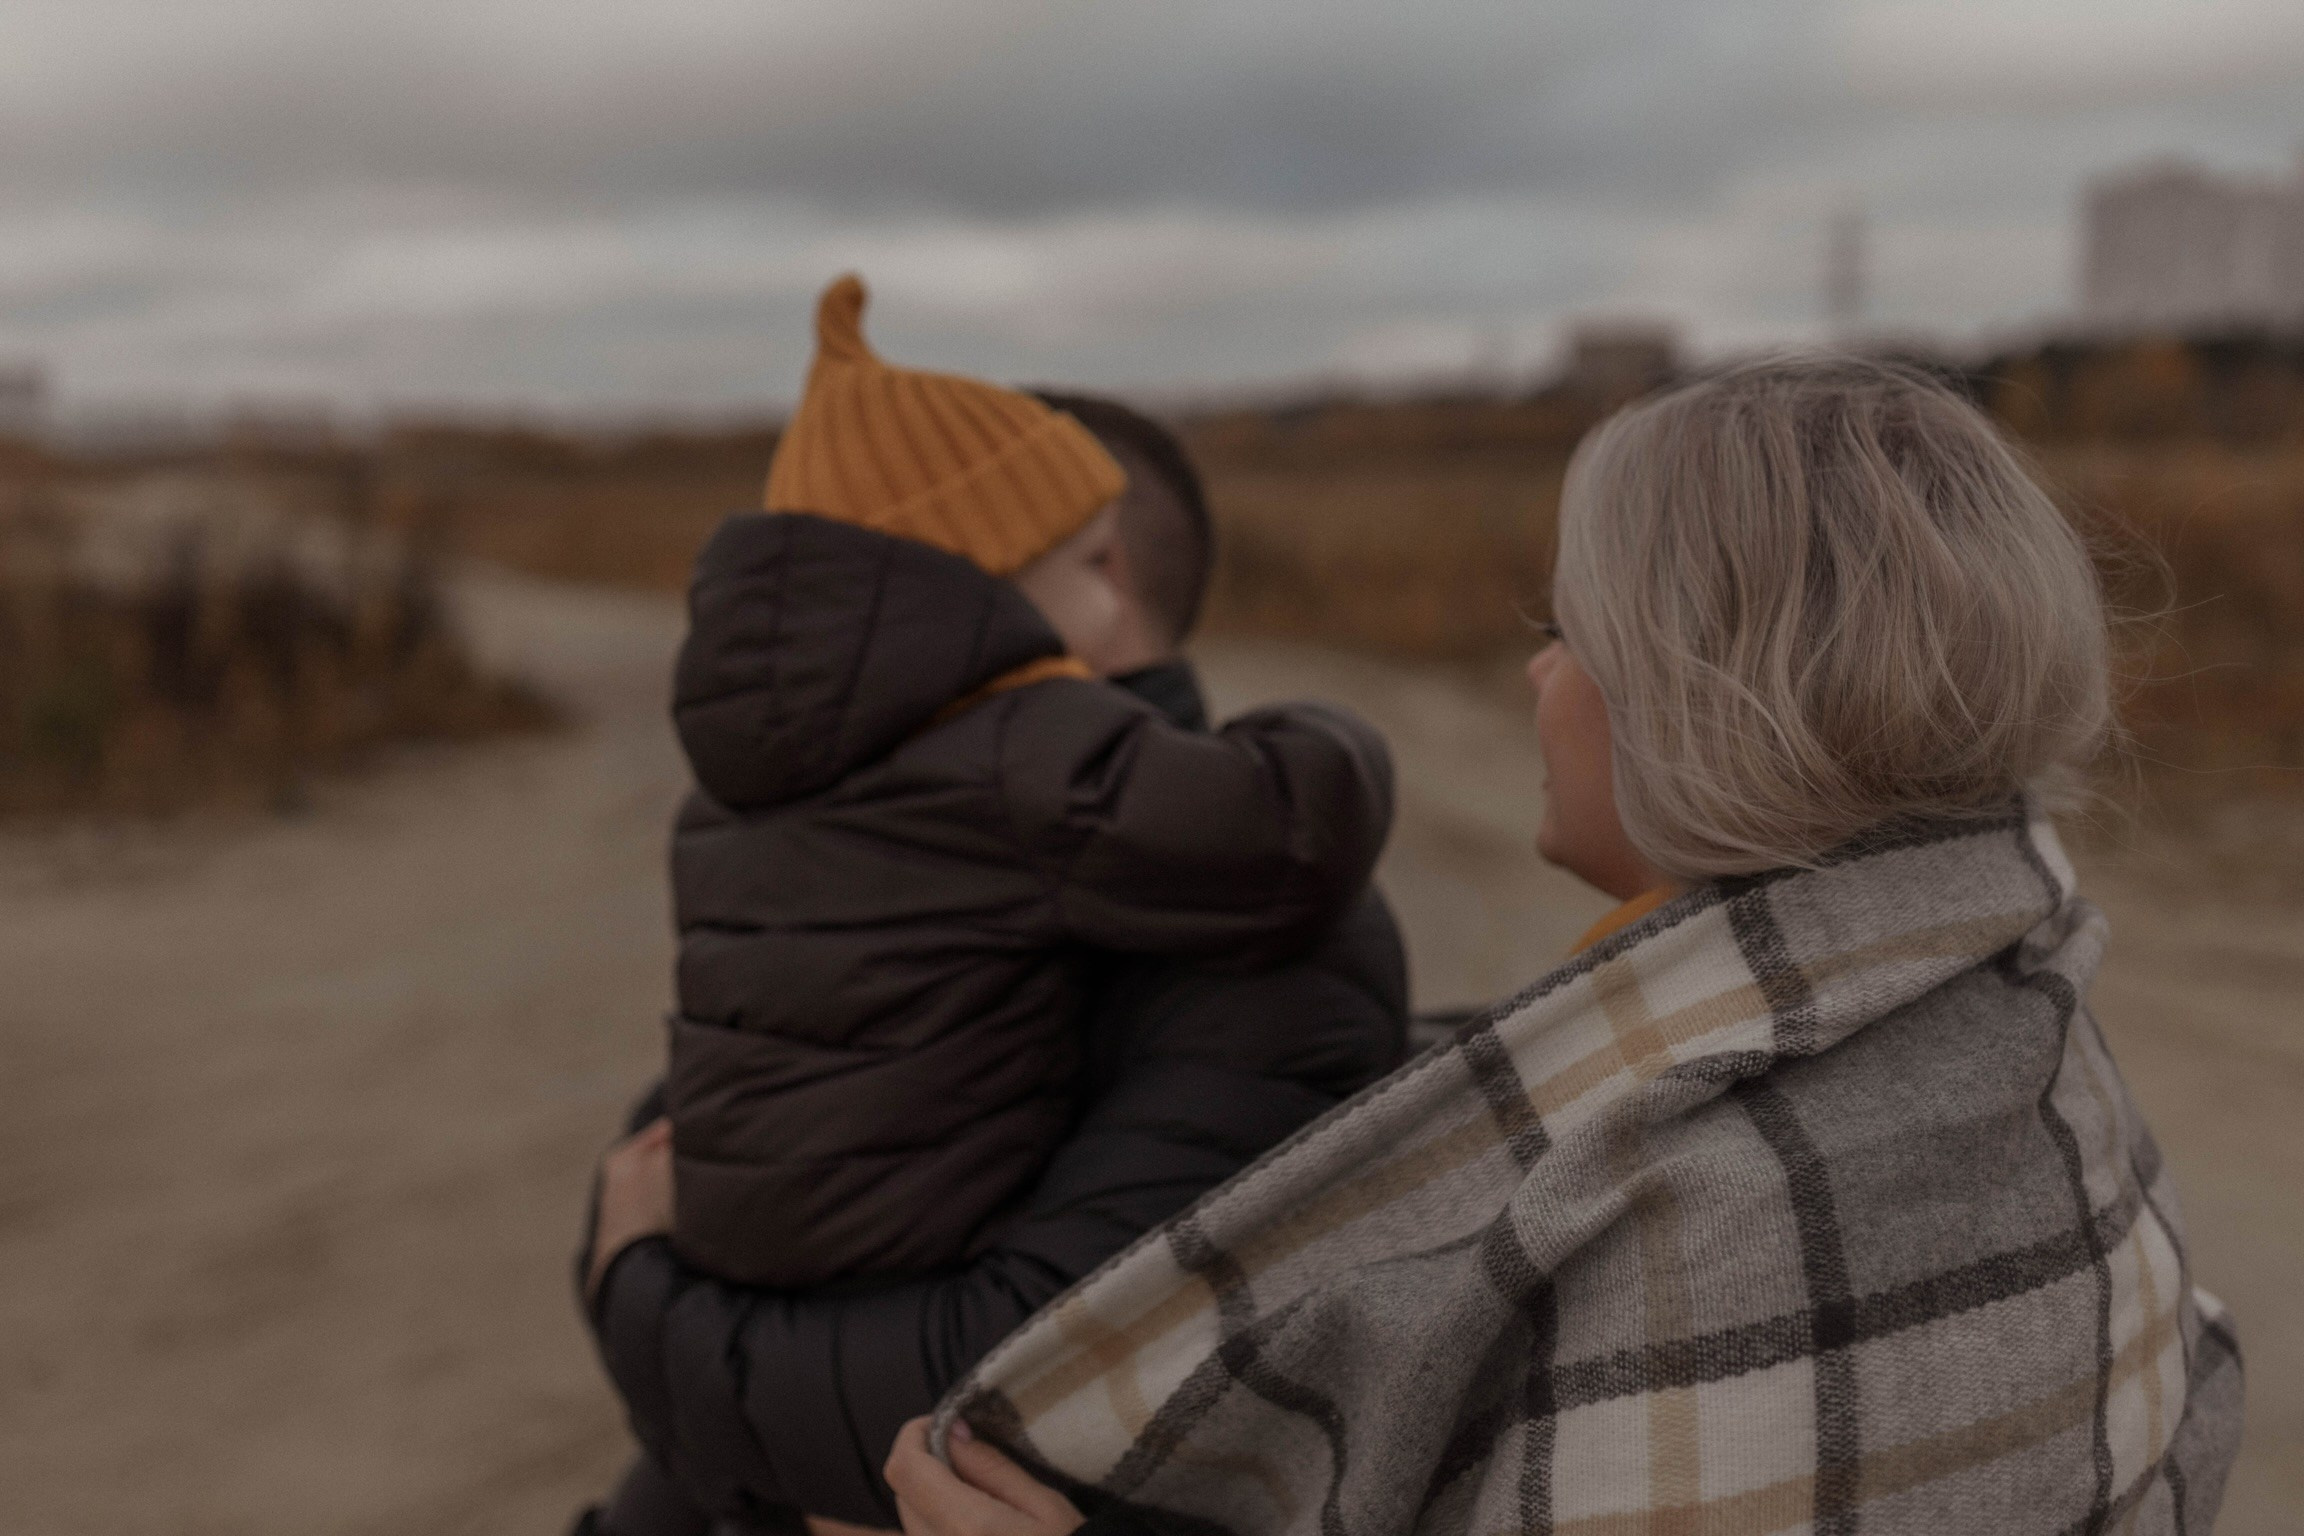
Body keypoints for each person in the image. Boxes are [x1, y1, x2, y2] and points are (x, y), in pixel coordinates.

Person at [886, 357, 2246, 1536]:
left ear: (1701, 690)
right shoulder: (2018, 1009)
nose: (1538, 674)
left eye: (1567, 632)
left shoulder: (1703, 1221)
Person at [574, 342, 1411, 1531]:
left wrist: (635, 1293)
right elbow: (701, 1166)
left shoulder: (1271, 943)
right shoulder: (864, 833)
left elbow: (999, 1392)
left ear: (1103, 574)